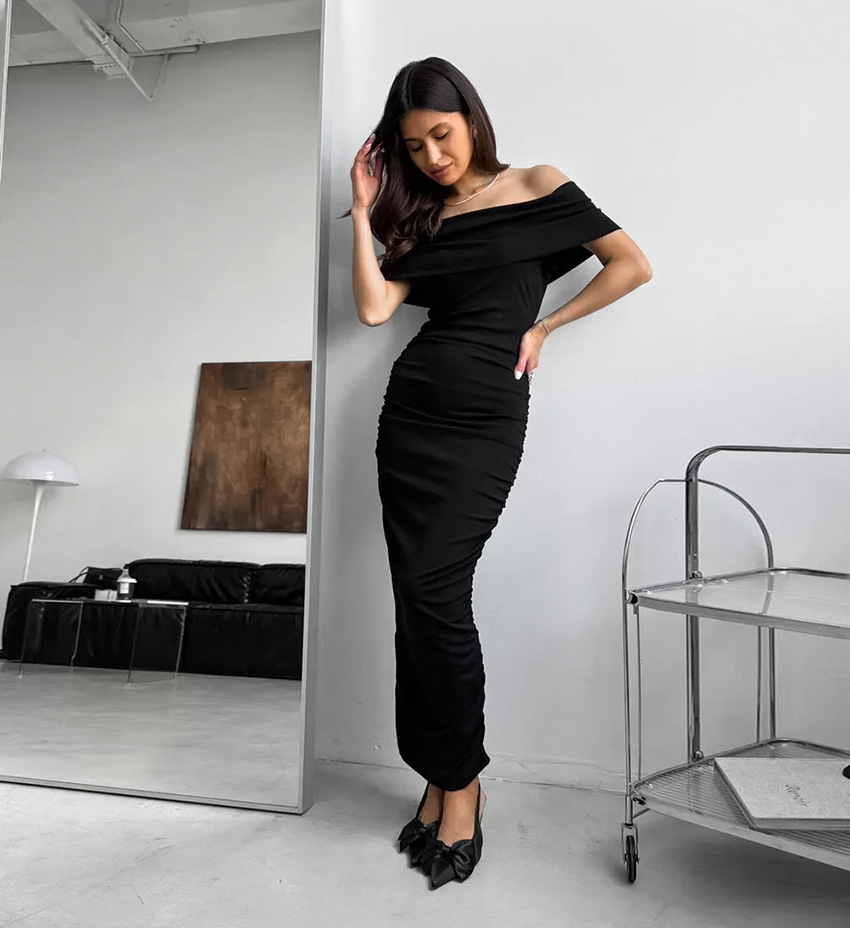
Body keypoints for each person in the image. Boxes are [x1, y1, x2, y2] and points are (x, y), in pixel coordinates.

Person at [348, 56, 652, 890]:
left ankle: (464, 785)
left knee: (439, 596)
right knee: (417, 601)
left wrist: (547, 326)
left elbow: (631, 264)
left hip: (485, 420)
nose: (434, 157)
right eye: (415, 147)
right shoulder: (425, 215)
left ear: (471, 119)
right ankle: (439, 776)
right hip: (411, 414)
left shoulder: (538, 185)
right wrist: (365, 209)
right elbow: (374, 308)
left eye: (442, 136)